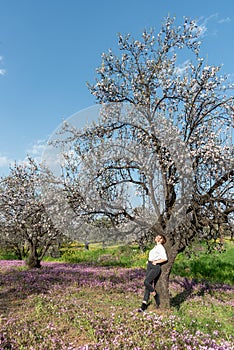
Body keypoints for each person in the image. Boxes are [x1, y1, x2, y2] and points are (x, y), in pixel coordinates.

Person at [138, 234, 167, 312]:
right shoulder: (155, 247)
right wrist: (148, 261)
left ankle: (155, 294)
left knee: (146, 282)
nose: (157, 237)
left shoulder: (161, 247)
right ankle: (143, 305)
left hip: (155, 267)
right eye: (157, 236)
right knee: (147, 286)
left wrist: (156, 262)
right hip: (150, 265)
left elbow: (165, 258)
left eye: (160, 237)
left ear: (162, 240)